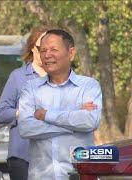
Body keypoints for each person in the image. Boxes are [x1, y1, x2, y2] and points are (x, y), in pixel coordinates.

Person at [18, 29, 102, 180]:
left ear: (71, 53)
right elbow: (25, 128)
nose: (47, 55)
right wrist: (74, 121)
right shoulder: (30, 88)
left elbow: (90, 121)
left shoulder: (88, 86)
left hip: (79, 175)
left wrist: (46, 115)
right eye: (43, 50)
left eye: (53, 49)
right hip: (41, 176)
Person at [0, 26, 48, 180]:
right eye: (41, 48)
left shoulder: (60, 77)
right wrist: (22, 112)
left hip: (53, 156)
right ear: (32, 48)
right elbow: (2, 113)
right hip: (23, 156)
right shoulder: (18, 77)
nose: (46, 52)